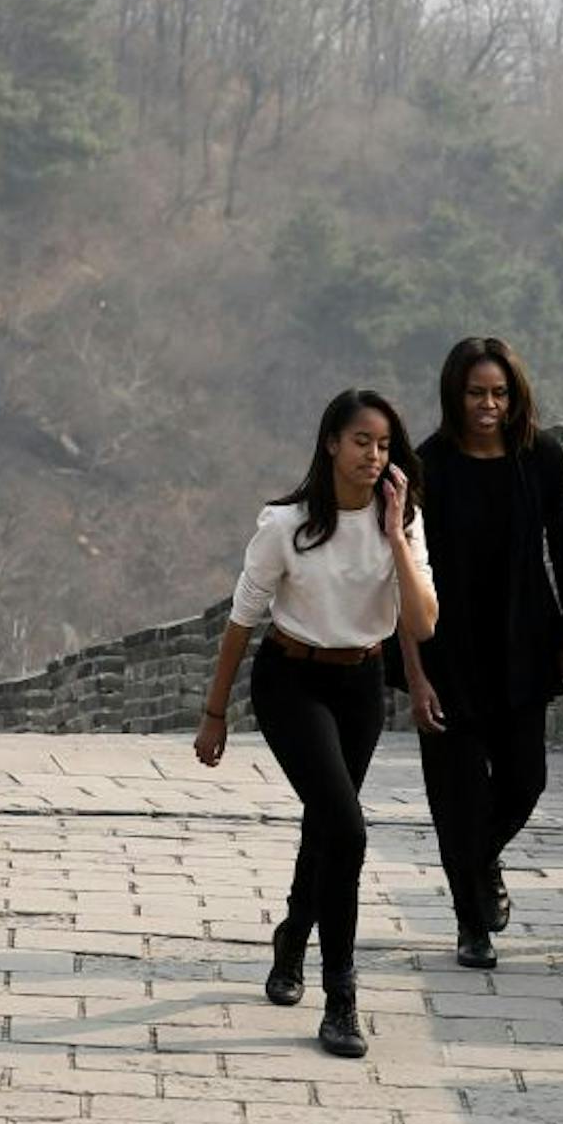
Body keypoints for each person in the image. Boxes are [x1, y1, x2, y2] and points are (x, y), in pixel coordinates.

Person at [194, 389, 438, 1057]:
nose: (373, 455)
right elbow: (242, 620)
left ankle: (294, 935)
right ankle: (341, 997)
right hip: (291, 681)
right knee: (349, 830)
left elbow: (421, 624)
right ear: (332, 442)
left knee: (327, 823)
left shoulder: (404, 521)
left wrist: (395, 536)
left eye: (385, 445)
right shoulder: (286, 524)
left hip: (361, 684)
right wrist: (215, 714)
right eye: (361, 440)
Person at [397, 337, 563, 971]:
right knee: (455, 795)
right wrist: (415, 673)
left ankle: (478, 864)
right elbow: (404, 575)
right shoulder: (428, 467)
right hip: (447, 648)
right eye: (476, 392)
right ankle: (469, 925)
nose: (488, 404)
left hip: (521, 643)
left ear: (515, 396)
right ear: (455, 394)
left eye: (499, 393)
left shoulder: (542, 459)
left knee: (524, 779)